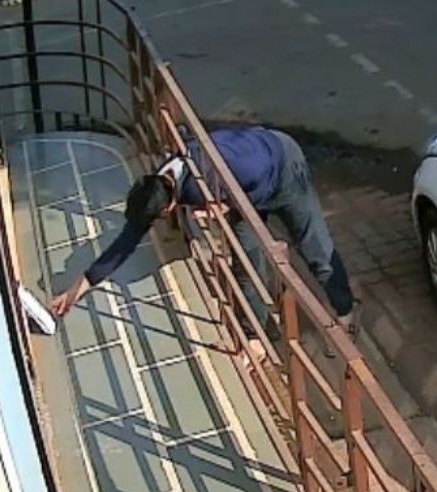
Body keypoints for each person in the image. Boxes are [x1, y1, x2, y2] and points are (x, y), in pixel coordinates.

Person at [49, 125, 357, 345]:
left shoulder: (218, 172)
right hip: (233, 195)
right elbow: (124, 245)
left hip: (282, 169)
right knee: (245, 265)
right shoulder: (157, 188)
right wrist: (76, 290)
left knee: (315, 247)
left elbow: (259, 171)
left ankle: (344, 313)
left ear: (168, 207)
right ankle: (259, 334)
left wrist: (226, 204)